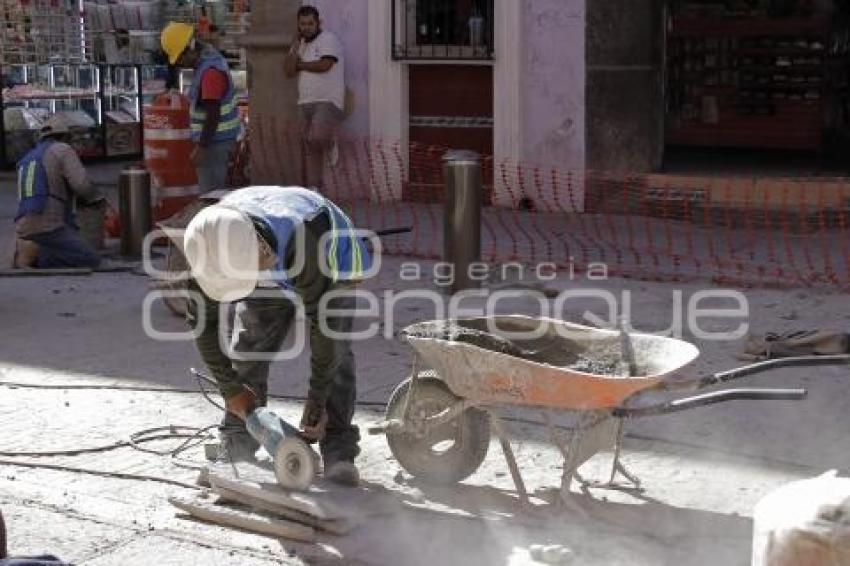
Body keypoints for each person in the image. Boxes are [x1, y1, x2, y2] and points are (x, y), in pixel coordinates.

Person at [181, 186, 371, 486]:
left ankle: (339, 450)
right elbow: (202, 324)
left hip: (329, 259)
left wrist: (316, 401)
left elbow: (326, 335)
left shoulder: (305, 241)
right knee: (250, 348)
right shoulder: (210, 248)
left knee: (336, 356)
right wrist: (231, 389)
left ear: (261, 249)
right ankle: (237, 441)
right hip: (270, 254)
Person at [14, 115, 102, 269]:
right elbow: (81, 184)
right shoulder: (62, 149)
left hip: (24, 224)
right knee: (89, 259)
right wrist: (95, 197)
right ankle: (36, 252)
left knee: (67, 245)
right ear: (65, 136)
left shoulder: (27, 158)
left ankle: (27, 247)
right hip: (48, 224)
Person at [160, 21, 239, 192]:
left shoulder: (209, 72)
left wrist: (202, 148)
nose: (180, 63)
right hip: (219, 141)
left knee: (212, 196)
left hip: (215, 145)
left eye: (180, 57)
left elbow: (213, 113)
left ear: (190, 48)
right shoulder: (209, 62)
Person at [283, 5, 346, 190]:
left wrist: (300, 65)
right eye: (302, 24)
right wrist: (295, 46)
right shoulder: (300, 44)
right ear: (298, 25)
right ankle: (315, 187)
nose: (306, 27)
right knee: (309, 146)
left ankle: (331, 139)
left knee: (318, 138)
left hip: (327, 100)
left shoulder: (329, 39)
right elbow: (288, 71)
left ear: (318, 23)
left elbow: (324, 65)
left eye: (310, 23)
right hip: (304, 102)